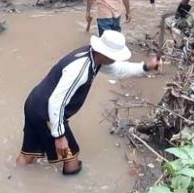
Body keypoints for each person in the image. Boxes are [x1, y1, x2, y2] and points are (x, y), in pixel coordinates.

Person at [16, 30, 161, 175]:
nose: (115, 59)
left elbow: (118, 69)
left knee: (29, 153)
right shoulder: (81, 69)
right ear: (105, 53)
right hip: (46, 112)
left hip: (33, 104)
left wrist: (146, 67)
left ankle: (17, 177)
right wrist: (59, 136)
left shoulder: (92, 56)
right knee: (71, 156)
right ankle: (69, 188)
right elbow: (55, 102)